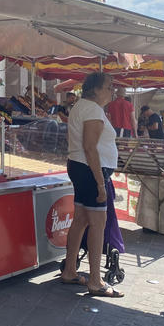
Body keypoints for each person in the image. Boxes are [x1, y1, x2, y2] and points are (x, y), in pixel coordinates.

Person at [59, 72, 124, 298]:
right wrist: (100, 183)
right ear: (95, 89)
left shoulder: (80, 106)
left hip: (79, 166)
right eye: (109, 86)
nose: (112, 90)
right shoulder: (93, 110)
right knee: (97, 223)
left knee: (81, 220)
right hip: (90, 169)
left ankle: (69, 270)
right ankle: (95, 281)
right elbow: (90, 147)